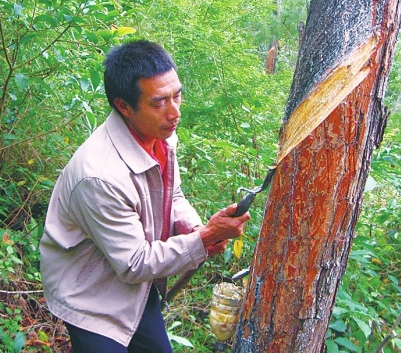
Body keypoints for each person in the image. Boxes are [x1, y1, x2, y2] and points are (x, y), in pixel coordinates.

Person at [39, 39, 250, 352]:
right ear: (124, 106)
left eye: (177, 95)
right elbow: (134, 263)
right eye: (159, 102)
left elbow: (172, 194)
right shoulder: (99, 176)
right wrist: (203, 239)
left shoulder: (159, 135)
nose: (175, 112)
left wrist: (194, 228)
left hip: (135, 287)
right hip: (90, 295)